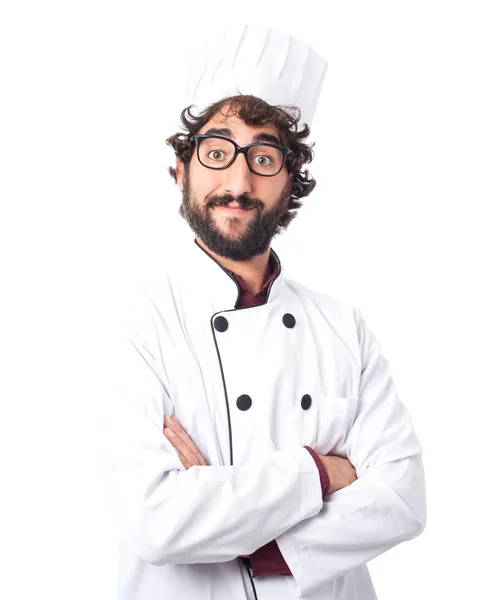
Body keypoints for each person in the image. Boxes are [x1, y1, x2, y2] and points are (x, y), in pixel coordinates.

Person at [98, 24, 427, 600]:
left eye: (264, 157)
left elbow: (402, 497)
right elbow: (155, 520)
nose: (239, 180)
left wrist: (252, 537)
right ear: (182, 169)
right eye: (217, 151)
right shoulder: (137, 320)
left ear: (290, 184)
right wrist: (321, 473)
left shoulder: (341, 326)